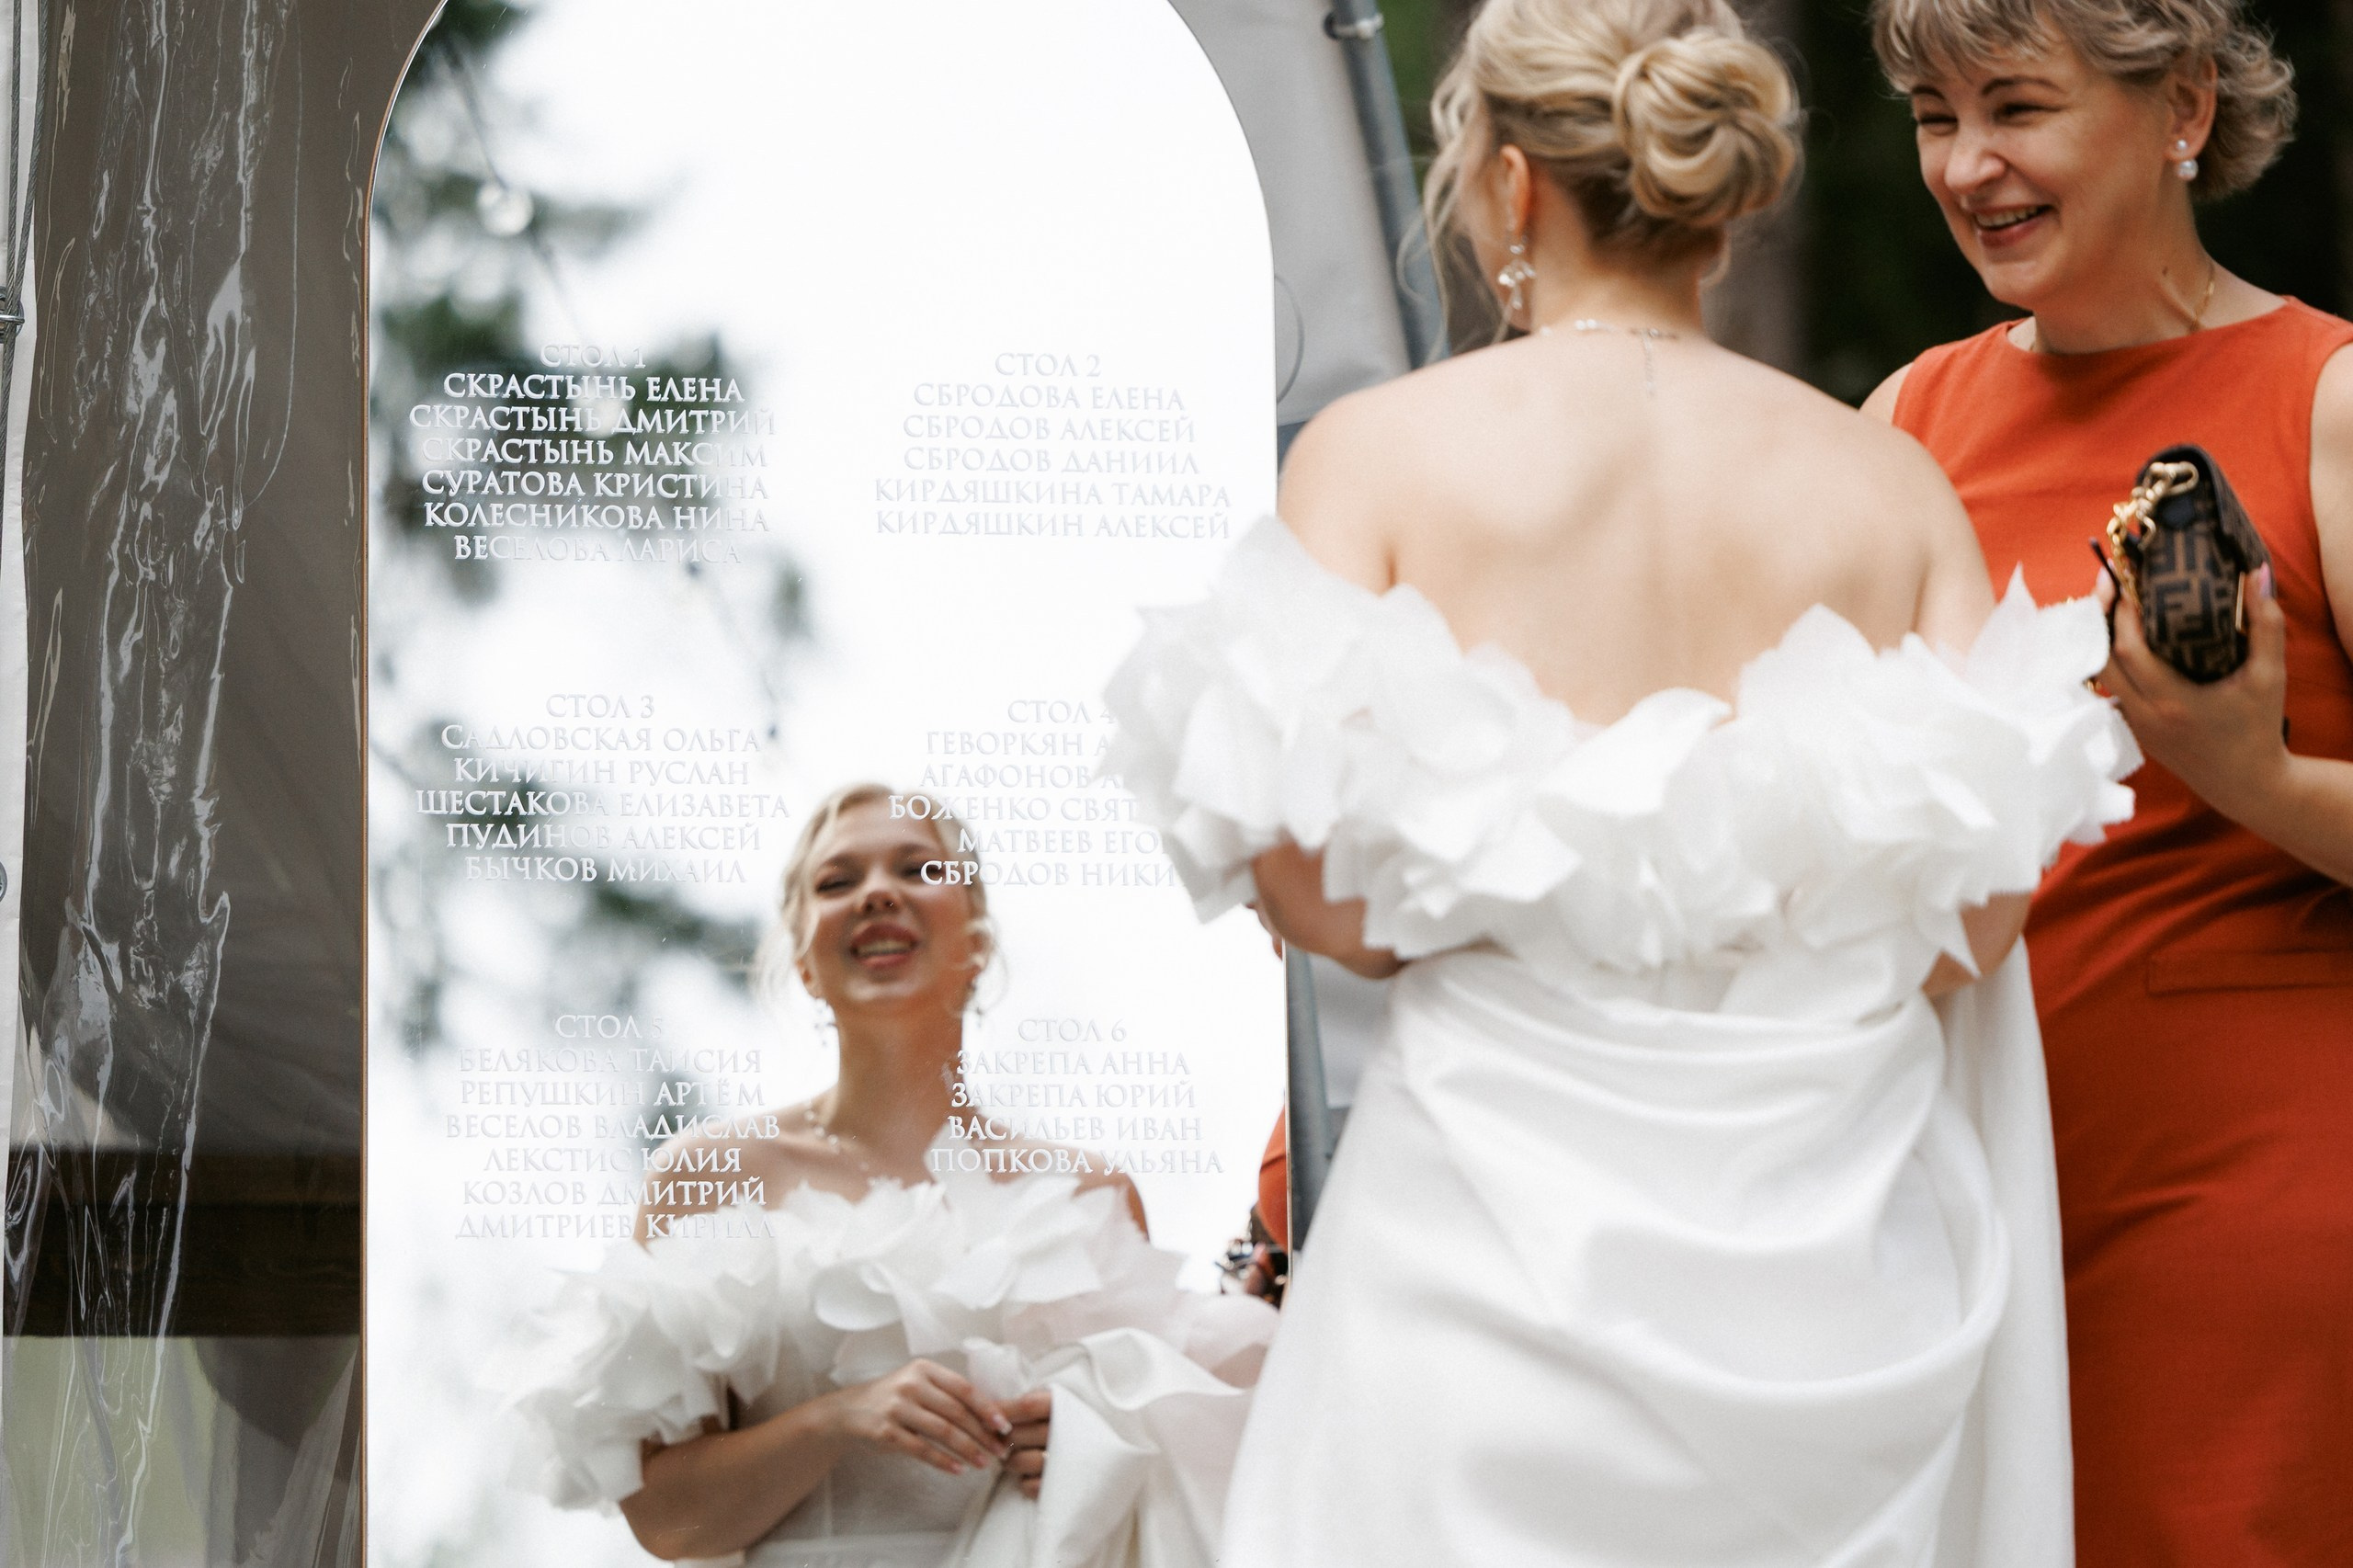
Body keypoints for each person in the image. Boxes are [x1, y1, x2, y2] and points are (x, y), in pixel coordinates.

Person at [1101, 0, 2143, 1560]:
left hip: (1475, 1268)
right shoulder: (1890, 488)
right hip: (1825, 1299)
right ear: (1724, 193)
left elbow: (1327, 909)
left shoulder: (1375, 459)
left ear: (1512, 185)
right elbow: (1966, 935)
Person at [1861, 0, 2353, 1557]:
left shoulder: (2326, 402)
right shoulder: (1907, 422)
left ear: (2185, 105)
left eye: (2017, 106)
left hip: (2250, 1215)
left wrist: (2251, 776)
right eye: (1937, 118)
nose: (1968, 166)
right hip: (1965, 1214)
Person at [506, 784, 1274, 1568]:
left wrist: (1090, 1441)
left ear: (978, 941)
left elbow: (1158, 1483)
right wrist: (836, 1418)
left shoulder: (1091, 1196)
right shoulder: (709, 1178)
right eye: (838, 883)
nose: (878, 893)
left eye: (919, 871)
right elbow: (666, 1523)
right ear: (803, 960)